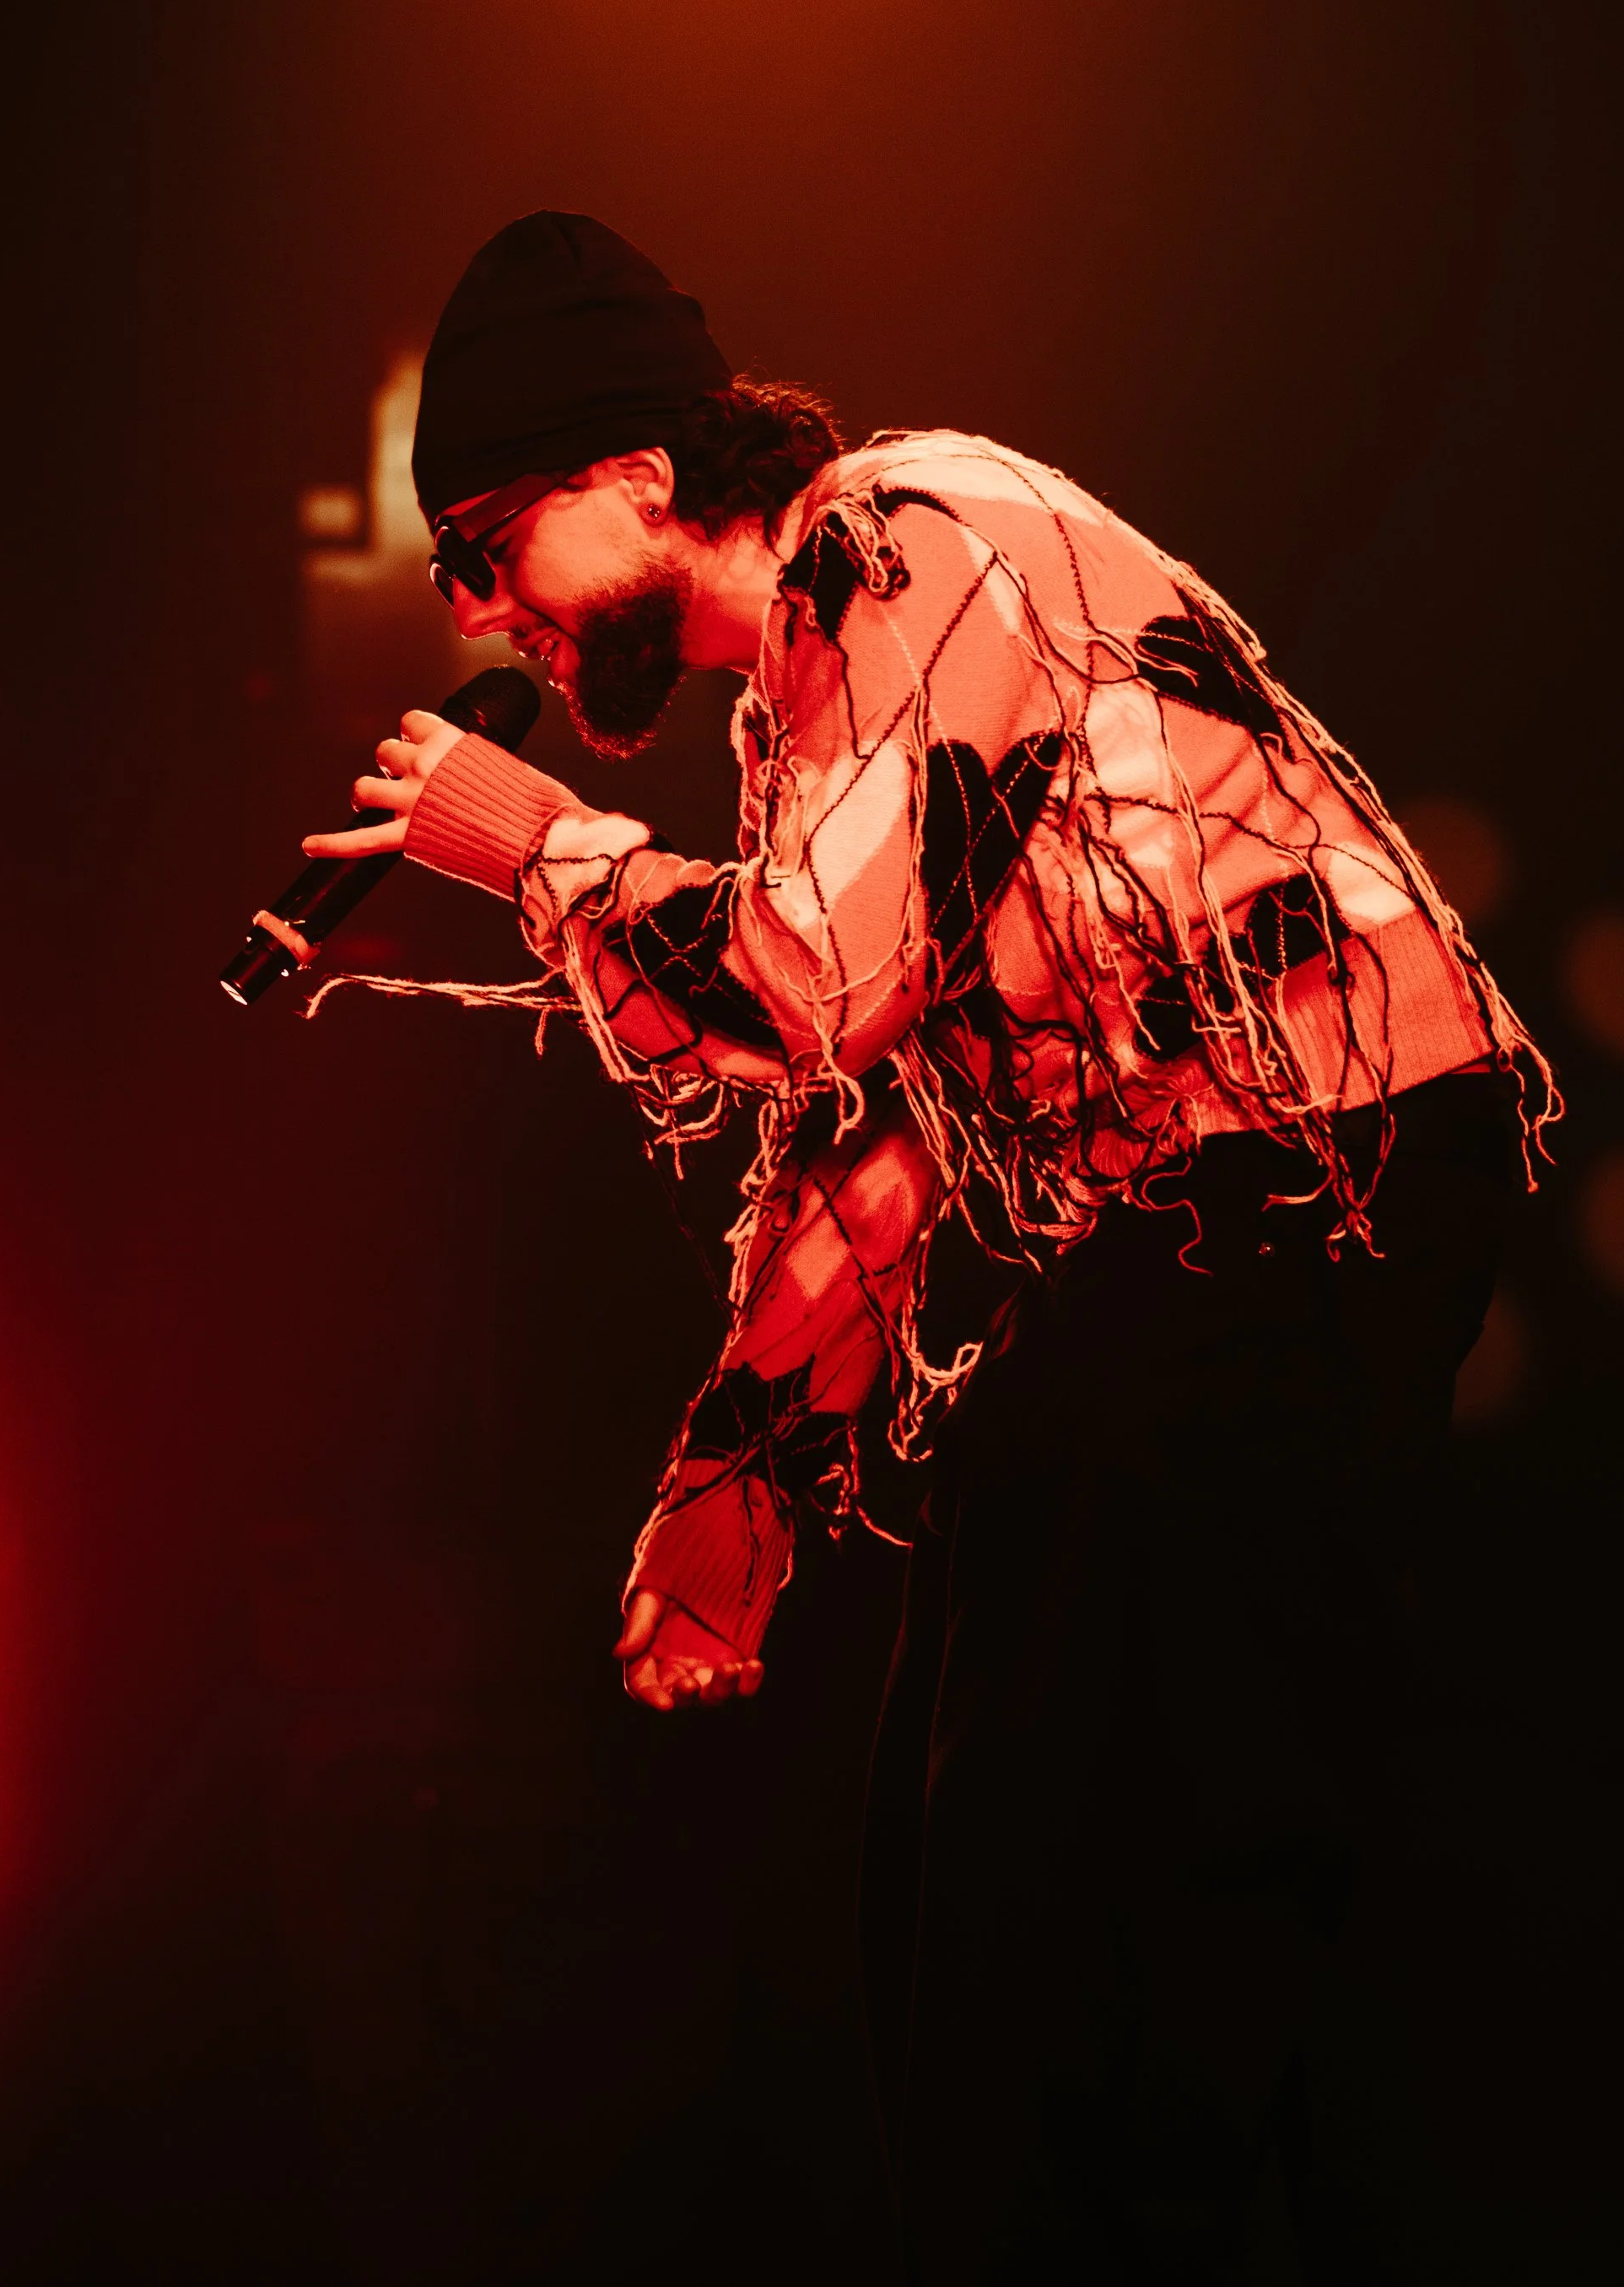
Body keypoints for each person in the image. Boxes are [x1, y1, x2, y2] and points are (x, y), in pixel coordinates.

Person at [302, 209, 1554, 2278]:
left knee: (1085, 1907)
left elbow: (802, 982)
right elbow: (872, 1122)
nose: (475, 608)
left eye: (485, 543)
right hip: (1197, 1240)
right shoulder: (799, 706)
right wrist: (740, 1479)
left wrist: (531, 847)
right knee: (967, 1879)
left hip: (1305, 1183)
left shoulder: (908, 531)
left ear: (640, 477)